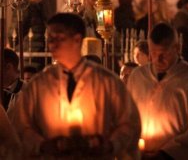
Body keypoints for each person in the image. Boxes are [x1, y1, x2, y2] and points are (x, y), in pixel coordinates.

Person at [12, 13, 140, 158]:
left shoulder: (106, 82)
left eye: (58, 38)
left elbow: (129, 123)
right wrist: (42, 145)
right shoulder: (39, 84)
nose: (52, 44)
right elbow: (21, 125)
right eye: (50, 39)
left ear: (77, 39)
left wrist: (110, 144)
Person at [128, 23, 188, 159]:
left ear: (177, 48)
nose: (158, 59)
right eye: (153, 53)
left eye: (163, 53)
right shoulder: (138, 76)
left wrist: (167, 153)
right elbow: (126, 115)